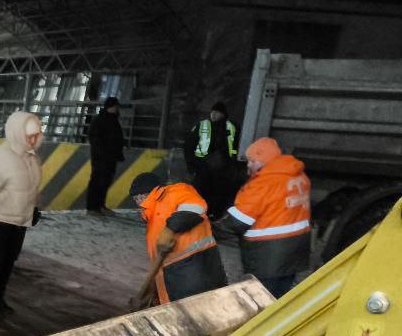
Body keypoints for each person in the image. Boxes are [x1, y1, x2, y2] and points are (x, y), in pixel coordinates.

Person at [217, 137, 311, 299]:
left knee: (262, 299)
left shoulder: (263, 183)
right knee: (280, 296)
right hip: (296, 249)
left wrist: (213, 228)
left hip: (269, 255)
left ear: (263, 160)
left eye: (252, 161)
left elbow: (238, 221)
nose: (248, 165)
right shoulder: (297, 175)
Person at [0, 111, 44, 318]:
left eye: (35, 136)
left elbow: (31, 188)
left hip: (20, 221)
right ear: (16, 133)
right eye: (29, 136)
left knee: (8, 263)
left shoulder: (32, 158)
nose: (32, 140)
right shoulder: (0, 157)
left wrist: (35, 208)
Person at [129, 171, 227, 305]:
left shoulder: (174, 193)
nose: (139, 202)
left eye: (140, 197)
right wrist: (153, 294)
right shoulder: (152, 217)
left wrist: (171, 228)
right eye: (136, 199)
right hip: (177, 278)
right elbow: (158, 264)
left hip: (194, 271)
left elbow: (196, 207)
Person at [184, 101, 239, 218]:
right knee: (200, 192)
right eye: (212, 112)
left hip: (222, 168)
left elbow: (235, 146)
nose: (213, 114)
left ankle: (214, 215)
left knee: (220, 193)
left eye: (217, 112)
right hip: (202, 166)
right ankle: (198, 214)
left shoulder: (231, 127)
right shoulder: (202, 125)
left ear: (223, 114)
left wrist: (232, 164)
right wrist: (191, 165)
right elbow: (189, 146)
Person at [86, 96, 125, 215]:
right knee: (97, 181)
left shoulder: (113, 120)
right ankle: (92, 207)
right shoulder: (100, 120)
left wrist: (118, 154)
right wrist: (102, 153)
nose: (117, 109)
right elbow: (94, 138)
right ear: (111, 107)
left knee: (105, 182)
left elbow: (117, 139)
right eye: (116, 106)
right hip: (101, 158)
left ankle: (101, 206)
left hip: (110, 158)